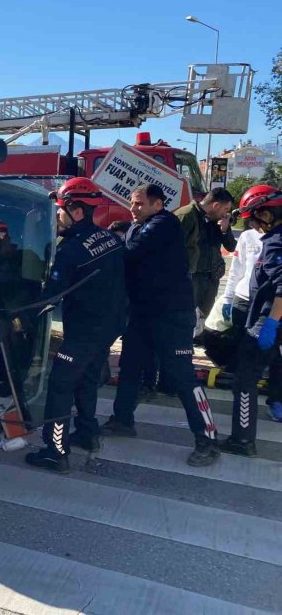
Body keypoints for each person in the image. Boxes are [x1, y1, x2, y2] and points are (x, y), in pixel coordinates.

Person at [102, 184, 220, 466]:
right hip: (144, 313)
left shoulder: (163, 225)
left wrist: (103, 241)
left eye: (139, 204)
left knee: (182, 377)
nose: (133, 208)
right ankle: (122, 420)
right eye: (132, 203)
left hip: (172, 316)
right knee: (130, 367)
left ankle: (208, 439)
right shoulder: (139, 225)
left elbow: (129, 254)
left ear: (158, 205)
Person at [26, 178, 127, 473]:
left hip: (84, 330)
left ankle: (55, 452)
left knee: (60, 385)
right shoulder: (109, 238)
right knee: (87, 378)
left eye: (60, 210)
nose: (58, 216)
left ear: (76, 211)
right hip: (110, 326)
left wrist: (19, 314)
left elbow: (51, 295)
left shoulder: (71, 250)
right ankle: (87, 431)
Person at [223, 185, 282, 455]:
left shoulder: (274, 242)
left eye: (253, 218)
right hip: (265, 320)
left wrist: (269, 324)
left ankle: (242, 440)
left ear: (267, 215)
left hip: (265, 324)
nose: (252, 226)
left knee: (245, 381)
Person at [174, 188, 236, 340]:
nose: (226, 214)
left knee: (205, 312)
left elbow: (231, 247)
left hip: (212, 273)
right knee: (185, 311)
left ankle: (198, 339)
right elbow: (172, 246)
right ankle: (180, 342)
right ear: (215, 205)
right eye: (225, 209)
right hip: (192, 274)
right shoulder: (187, 215)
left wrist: (225, 229)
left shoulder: (217, 221)